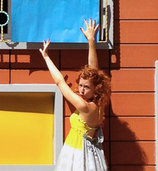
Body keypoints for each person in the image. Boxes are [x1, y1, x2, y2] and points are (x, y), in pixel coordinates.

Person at [40, 19, 111, 171]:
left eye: (86, 87)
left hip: (77, 153)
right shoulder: (99, 102)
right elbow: (94, 70)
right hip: (93, 153)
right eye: (80, 85)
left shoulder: (83, 105)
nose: (81, 90)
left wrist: (46, 58)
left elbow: (60, 82)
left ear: (95, 88)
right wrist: (91, 40)